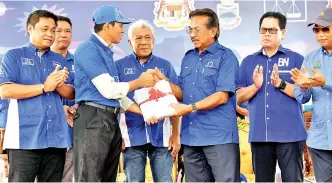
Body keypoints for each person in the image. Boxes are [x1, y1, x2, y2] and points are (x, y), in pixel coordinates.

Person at [73, 5, 156, 182]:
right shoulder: (88, 49)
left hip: (110, 118)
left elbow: (119, 97)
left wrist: (145, 112)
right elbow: (109, 90)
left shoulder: (106, 51)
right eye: (120, 25)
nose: (122, 30)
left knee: (107, 176)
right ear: (107, 25)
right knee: (90, 176)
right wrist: (139, 82)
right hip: (93, 119)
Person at [0, 10, 74, 182]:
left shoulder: (59, 59)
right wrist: (44, 86)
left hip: (56, 138)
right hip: (24, 139)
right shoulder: (14, 55)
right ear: (30, 29)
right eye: (45, 29)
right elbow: (5, 90)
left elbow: (71, 94)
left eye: (53, 30)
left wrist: (59, 85)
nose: (50, 34)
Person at [169, 8, 240, 182]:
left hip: (218, 137)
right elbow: (182, 94)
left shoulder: (226, 57)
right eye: (190, 29)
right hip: (191, 137)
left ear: (213, 31)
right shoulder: (188, 58)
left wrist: (189, 108)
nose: (192, 34)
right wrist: (163, 82)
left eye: (197, 29)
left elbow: (222, 96)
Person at [236, 11, 307, 182]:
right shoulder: (248, 62)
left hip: (290, 136)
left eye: (272, 30)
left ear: (283, 32)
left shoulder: (296, 59)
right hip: (260, 136)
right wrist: (255, 86)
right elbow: (238, 97)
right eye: (263, 30)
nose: (266, 34)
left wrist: (280, 84)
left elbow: (304, 96)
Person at [116, 19, 181, 182]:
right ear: (130, 42)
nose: (144, 42)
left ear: (154, 40)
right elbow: (113, 101)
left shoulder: (165, 66)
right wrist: (118, 135)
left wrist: (175, 134)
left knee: (164, 180)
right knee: (134, 180)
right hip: (131, 135)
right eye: (138, 38)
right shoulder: (118, 66)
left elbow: (176, 100)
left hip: (162, 135)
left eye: (148, 37)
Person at [291, 8, 332, 182]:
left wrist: (325, 83)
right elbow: (301, 97)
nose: (320, 34)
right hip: (320, 140)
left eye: (325, 29)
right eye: (316, 30)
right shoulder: (310, 58)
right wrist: (302, 87)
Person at [50, 15, 75, 183]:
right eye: (58, 31)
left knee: (69, 177)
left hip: (74, 131)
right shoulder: (43, 60)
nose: (63, 35)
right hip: (48, 133)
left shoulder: (79, 61)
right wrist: (61, 109)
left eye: (68, 31)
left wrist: (77, 107)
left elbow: (85, 91)